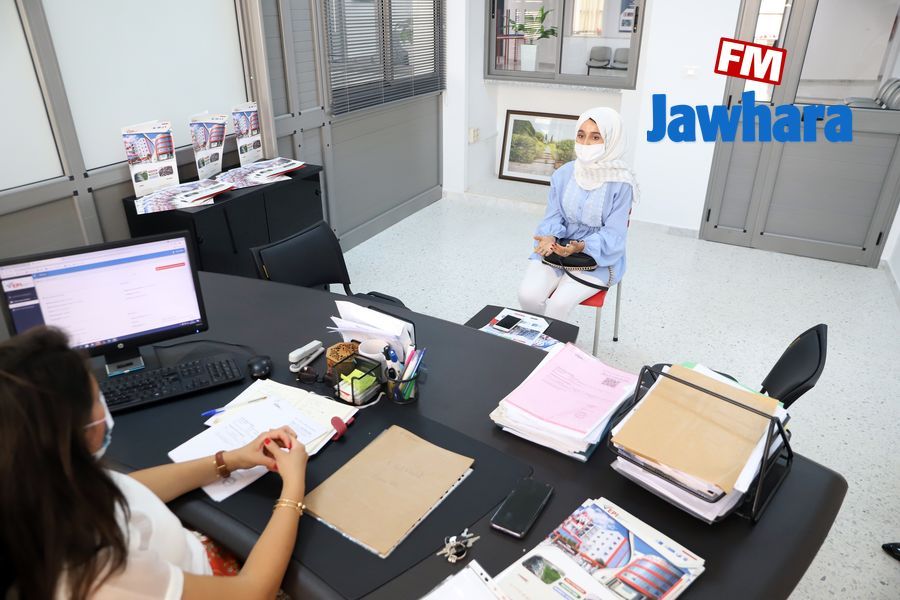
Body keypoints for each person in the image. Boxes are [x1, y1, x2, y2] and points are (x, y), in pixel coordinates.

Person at [0, 326, 308, 600]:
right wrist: (294, 487)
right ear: (74, 431)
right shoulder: (98, 567)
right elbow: (253, 592)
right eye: (97, 397)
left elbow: (126, 487)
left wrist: (230, 459)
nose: (103, 405)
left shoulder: (40, 481)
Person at [518, 107, 638, 321]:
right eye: (581, 135)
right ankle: (536, 338)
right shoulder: (564, 173)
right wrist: (549, 236)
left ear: (612, 140)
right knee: (527, 296)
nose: (585, 143)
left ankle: (554, 341)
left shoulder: (622, 183)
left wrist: (581, 246)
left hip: (598, 256)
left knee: (558, 305)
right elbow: (553, 215)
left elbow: (615, 234)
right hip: (557, 248)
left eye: (595, 137)